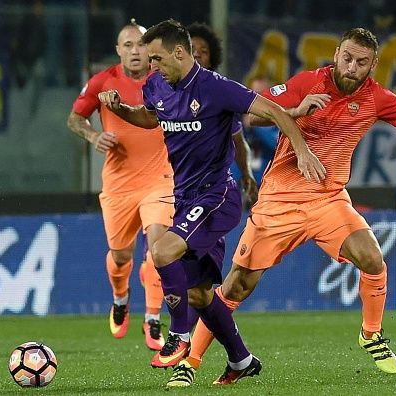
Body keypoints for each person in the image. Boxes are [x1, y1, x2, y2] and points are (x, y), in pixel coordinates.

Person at [185, 27, 396, 382]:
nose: (352, 66)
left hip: (328, 199)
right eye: (347, 57)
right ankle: (191, 361)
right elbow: (253, 116)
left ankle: (371, 333)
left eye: (361, 62)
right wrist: (297, 108)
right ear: (336, 53)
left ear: (373, 65)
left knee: (372, 258)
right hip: (281, 199)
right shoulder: (308, 82)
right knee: (236, 285)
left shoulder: (376, 98)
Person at [97, 19, 325, 388]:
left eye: (156, 58)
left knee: (162, 252)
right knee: (200, 293)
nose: (150, 65)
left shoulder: (217, 89)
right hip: (186, 198)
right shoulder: (158, 85)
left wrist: (300, 151)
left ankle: (180, 335)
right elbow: (149, 117)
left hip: (216, 196)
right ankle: (241, 358)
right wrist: (121, 108)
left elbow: (276, 112)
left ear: (180, 52)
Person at [67, 19, 172, 351]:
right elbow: (74, 118)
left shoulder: (164, 80)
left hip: (161, 180)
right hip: (120, 185)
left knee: (159, 250)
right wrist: (94, 135)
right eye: (128, 46)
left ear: (149, 48)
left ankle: (153, 319)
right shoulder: (102, 82)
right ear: (118, 51)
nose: (135, 51)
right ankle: (120, 297)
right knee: (121, 254)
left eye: (140, 44)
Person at [187, 21, 259, 207]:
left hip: (210, 188)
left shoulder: (221, 95)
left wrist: (246, 173)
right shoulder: (164, 90)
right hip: (167, 184)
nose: (196, 54)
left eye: (204, 51)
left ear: (211, 60)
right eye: (191, 48)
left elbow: (238, 140)